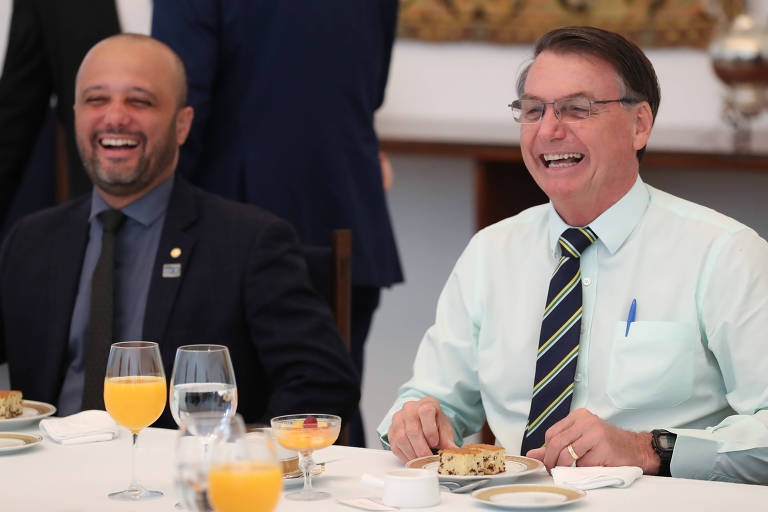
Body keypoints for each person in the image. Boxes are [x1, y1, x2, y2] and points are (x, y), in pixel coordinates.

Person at [377, 26, 768, 484]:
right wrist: (415, 420)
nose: (549, 130)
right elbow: (432, 395)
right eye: (533, 110)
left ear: (640, 124)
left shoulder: (725, 254)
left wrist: (649, 447)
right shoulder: (491, 252)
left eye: (577, 109)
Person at [0, 34, 360, 428]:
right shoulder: (30, 241)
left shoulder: (249, 242)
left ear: (182, 124)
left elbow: (322, 382)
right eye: (96, 99)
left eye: (139, 101)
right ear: (74, 115)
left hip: (182, 478)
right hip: (47, 477)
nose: (115, 117)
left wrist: (235, 457)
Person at [151, 0, 403, 446]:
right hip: (345, 203)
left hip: (228, 227)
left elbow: (180, 103)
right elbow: (373, 86)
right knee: (326, 418)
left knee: (213, 429)